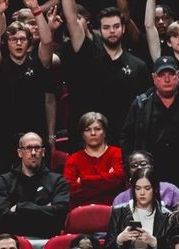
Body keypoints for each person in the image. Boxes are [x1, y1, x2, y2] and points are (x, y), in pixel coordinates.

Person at [57, 2, 149, 148]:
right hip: (88, 138)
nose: (112, 31)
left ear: (124, 28)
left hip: (123, 139)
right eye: (106, 27)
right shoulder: (87, 54)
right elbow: (71, 20)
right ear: (99, 30)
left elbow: (144, 111)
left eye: (116, 26)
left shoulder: (138, 66)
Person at [121, 55, 179, 186]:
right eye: (162, 75)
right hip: (150, 175)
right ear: (154, 78)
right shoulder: (141, 105)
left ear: (178, 76)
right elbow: (127, 139)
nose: (167, 79)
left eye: (170, 74)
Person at [0, 9, 56, 171]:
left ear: (29, 42)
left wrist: (37, 10)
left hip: (36, 132)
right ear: (7, 42)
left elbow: (46, 42)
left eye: (22, 39)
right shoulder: (0, 65)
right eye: (13, 39)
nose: (18, 43)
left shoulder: (39, 63)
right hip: (5, 135)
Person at [0, 132, 70, 239]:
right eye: (28, 148)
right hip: (14, 241)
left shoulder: (57, 181)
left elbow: (60, 216)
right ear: (20, 152)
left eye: (37, 148)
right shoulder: (5, 181)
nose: (33, 153)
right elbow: (2, 219)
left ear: (43, 152)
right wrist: (45, 210)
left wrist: (19, 208)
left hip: (47, 240)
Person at [104, 168, 175, 249]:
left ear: (155, 189)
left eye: (147, 188)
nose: (142, 193)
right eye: (138, 188)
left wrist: (153, 242)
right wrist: (120, 239)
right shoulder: (119, 212)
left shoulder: (166, 216)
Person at [63, 112, 125, 208]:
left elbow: (119, 180)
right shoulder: (73, 159)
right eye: (87, 130)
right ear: (82, 135)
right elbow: (71, 190)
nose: (93, 133)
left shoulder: (117, 153)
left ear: (104, 132)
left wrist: (84, 180)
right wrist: (107, 179)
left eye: (97, 129)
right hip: (82, 210)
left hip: (114, 209)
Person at [113, 152, 179, 209]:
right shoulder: (120, 199)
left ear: (152, 166)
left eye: (143, 164)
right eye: (134, 166)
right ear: (128, 171)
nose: (139, 167)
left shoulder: (170, 189)